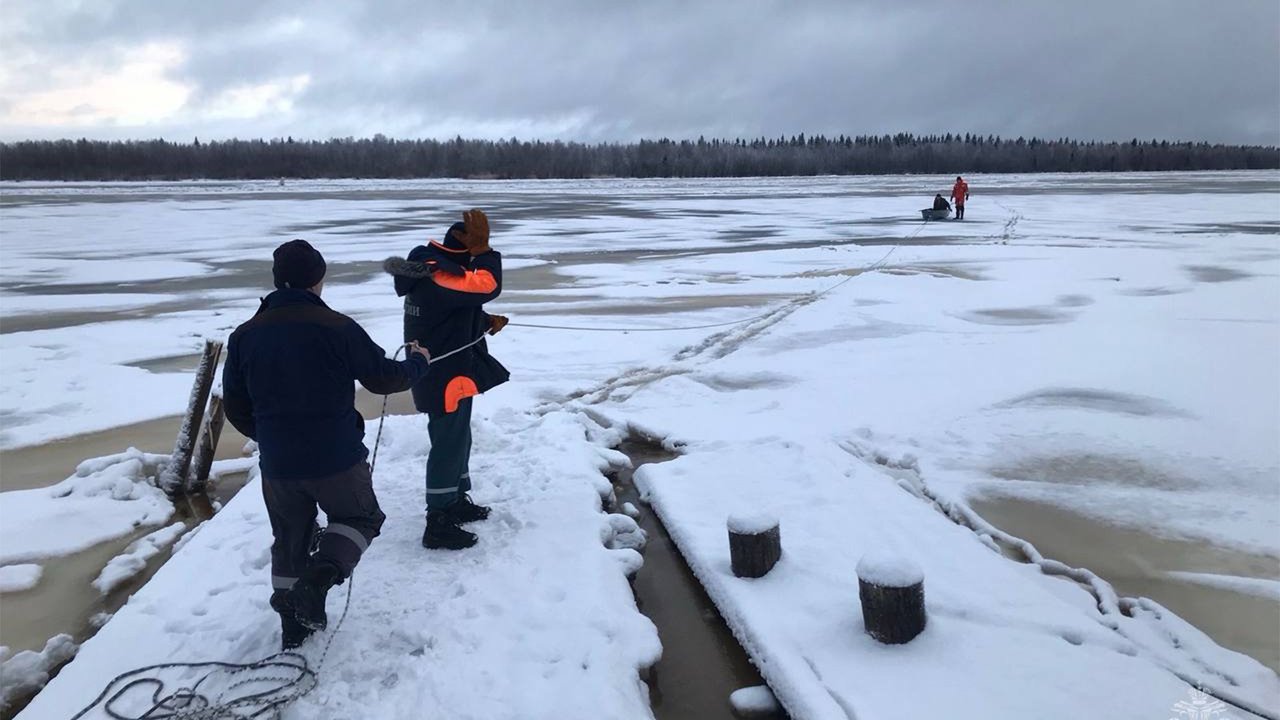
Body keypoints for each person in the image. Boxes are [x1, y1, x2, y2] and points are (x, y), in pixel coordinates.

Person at [223, 239, 431, 649]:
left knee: (290, 537)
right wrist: (419, 362)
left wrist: (270, 437)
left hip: (279, 465)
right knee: (361, 519)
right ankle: (316, 585)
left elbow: (235, 408)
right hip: (335, 456)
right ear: (317, 280)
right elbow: (384, 378)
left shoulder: (245, 335)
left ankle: (293, 626)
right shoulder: (337, 326)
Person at [383, 209, 510, 551]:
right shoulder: (437, 273)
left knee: (458, 437)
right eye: (472, 256)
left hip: (450, 368)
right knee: (448, 442)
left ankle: (454, 500)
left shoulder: (433, 272)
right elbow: (485, 285)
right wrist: (485, 253)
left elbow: (449, 310)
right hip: (442, 374)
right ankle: (437, 519)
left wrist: (484, 322)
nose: (473, 264)